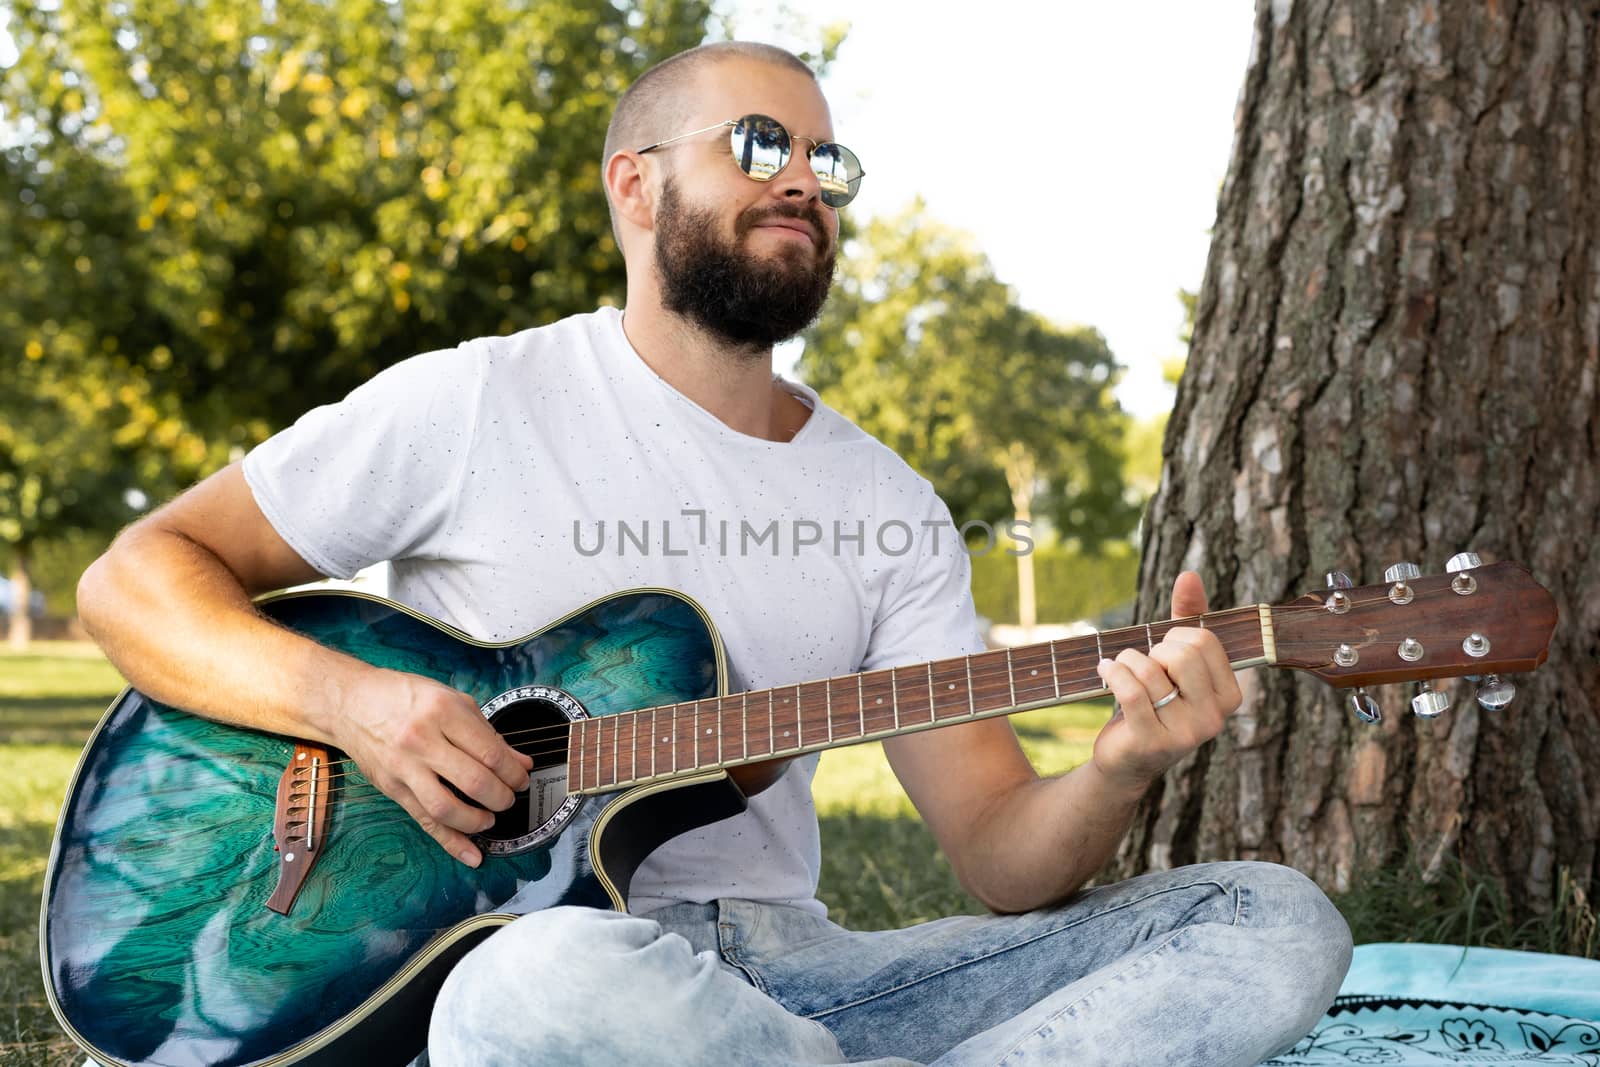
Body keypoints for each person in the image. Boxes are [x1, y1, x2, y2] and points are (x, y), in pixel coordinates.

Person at [77, 40, 1351, 1067]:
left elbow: (1000, 854)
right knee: (531, 984)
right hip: (535, 969)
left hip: (796, 987)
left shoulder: (887, 500)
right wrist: (357, 704)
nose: (805, 179)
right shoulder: (470, 403)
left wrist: (1122, 763)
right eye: (760, 145)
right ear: (634, 185)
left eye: (826, 159)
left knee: (1269, 920)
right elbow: (134, 575)